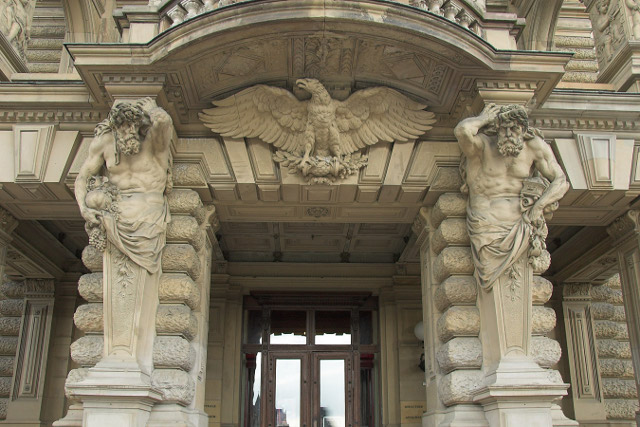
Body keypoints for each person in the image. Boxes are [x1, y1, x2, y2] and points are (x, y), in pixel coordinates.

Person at [454, 103, 569, 290]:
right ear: (497, 128)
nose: (508, 134)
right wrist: (483, 119)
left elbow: (561, 181)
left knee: (517, 286)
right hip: (486, 226)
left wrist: (538, 207)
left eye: (514, 129)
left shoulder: (534, 147)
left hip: (521, 227)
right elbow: (462, 131)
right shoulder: (482, 146)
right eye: (504, 129)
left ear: (523, 129)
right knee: (495, 288)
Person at [75, 97, 173, 273]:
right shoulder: (105, 143)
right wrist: (83, 208)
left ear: (139, 124)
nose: (126, 130)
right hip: (115, 214)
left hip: (148, 214)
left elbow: (163, 121)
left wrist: (152, 109)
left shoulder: (154, 141)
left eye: (130, 125)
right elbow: (83, 177)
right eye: (121, 126)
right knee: (94, 198)